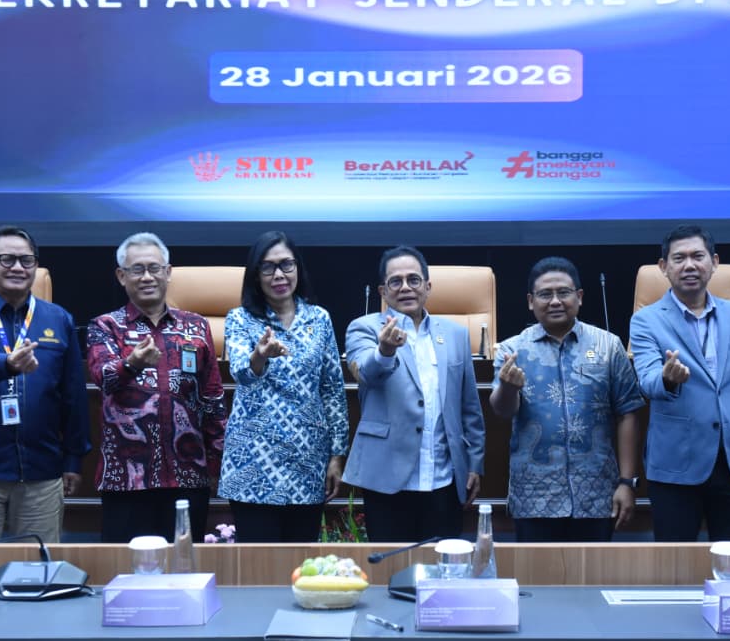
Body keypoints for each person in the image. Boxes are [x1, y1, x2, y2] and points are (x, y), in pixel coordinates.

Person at [0, 225, 90, 544]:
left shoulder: (58, 319)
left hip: (41, 473)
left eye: (27, 260)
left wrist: (73, 459)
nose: (18, 268)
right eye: (7, 259)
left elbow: (73, 396)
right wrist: (7, 363)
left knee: (36, 575)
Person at [628, 225, 730, 542]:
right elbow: (648, 381)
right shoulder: (646, 320)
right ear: (664, 267)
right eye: (679, 258)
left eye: (698, 256)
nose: (689, 265)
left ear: (714, 262)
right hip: (676, 465)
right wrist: (668, 378)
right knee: (676, 567)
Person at [490, 257, 643, 542]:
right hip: (535, 498)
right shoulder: (513, 349)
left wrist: (627, 482)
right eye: (545, 294)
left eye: (564, 292)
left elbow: (628, 413)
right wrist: (509, 388)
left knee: (594, 580)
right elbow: (501, 411)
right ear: (530, 301)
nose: (556, 301)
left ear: (580, 297)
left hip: (598, 496)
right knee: (536, 582)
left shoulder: (608, 346)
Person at [86, 233, 226, 543]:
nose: (147, 276)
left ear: (168, 272)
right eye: (137, 269)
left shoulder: (197, 326)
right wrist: (132, 363)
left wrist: (217, 463)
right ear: (122, 276)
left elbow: (212, 399)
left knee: (185, 569)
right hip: (127, 478)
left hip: (188, 475)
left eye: (154, 268)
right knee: (126, 572)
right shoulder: (106, 326)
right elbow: (102, 377)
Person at [343, 246, 485, 542]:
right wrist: (385, 350)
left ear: (428, 286)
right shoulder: (364, 328)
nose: (405, 287)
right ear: (383, 290)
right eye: (396, 281)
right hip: (387, 479)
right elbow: (364, 373)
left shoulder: (456, 334)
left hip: (444, 479)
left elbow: (469, 406)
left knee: (443, 572)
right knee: (391, 573)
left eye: (414, 279)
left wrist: (474, 463)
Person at [217, 231, 349, 542]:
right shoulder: (240, 319)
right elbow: (240, 373)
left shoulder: (319, 319)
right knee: (257, 568)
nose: (279, 275)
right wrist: (259, 356)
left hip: (308, 458)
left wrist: (336, 455)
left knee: (300, 562)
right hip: (253, 461)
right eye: (268, 267)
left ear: (298, 269)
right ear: (255, 275)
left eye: (286, 265)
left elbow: (332, 389)